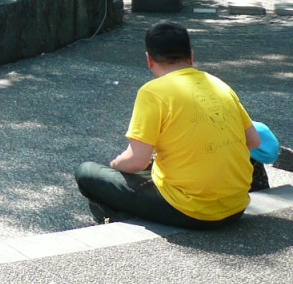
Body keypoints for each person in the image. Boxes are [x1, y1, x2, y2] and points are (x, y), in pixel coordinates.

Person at [74, 21, 262, 229]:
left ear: (149, 60)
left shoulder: (152, 92)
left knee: (87, 172)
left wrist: (115, 166)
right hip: (236, 207)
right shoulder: (219, 84)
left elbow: (136, 162)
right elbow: (254, 141)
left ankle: (122, 216)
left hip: (191, 212)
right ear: (191, 56)